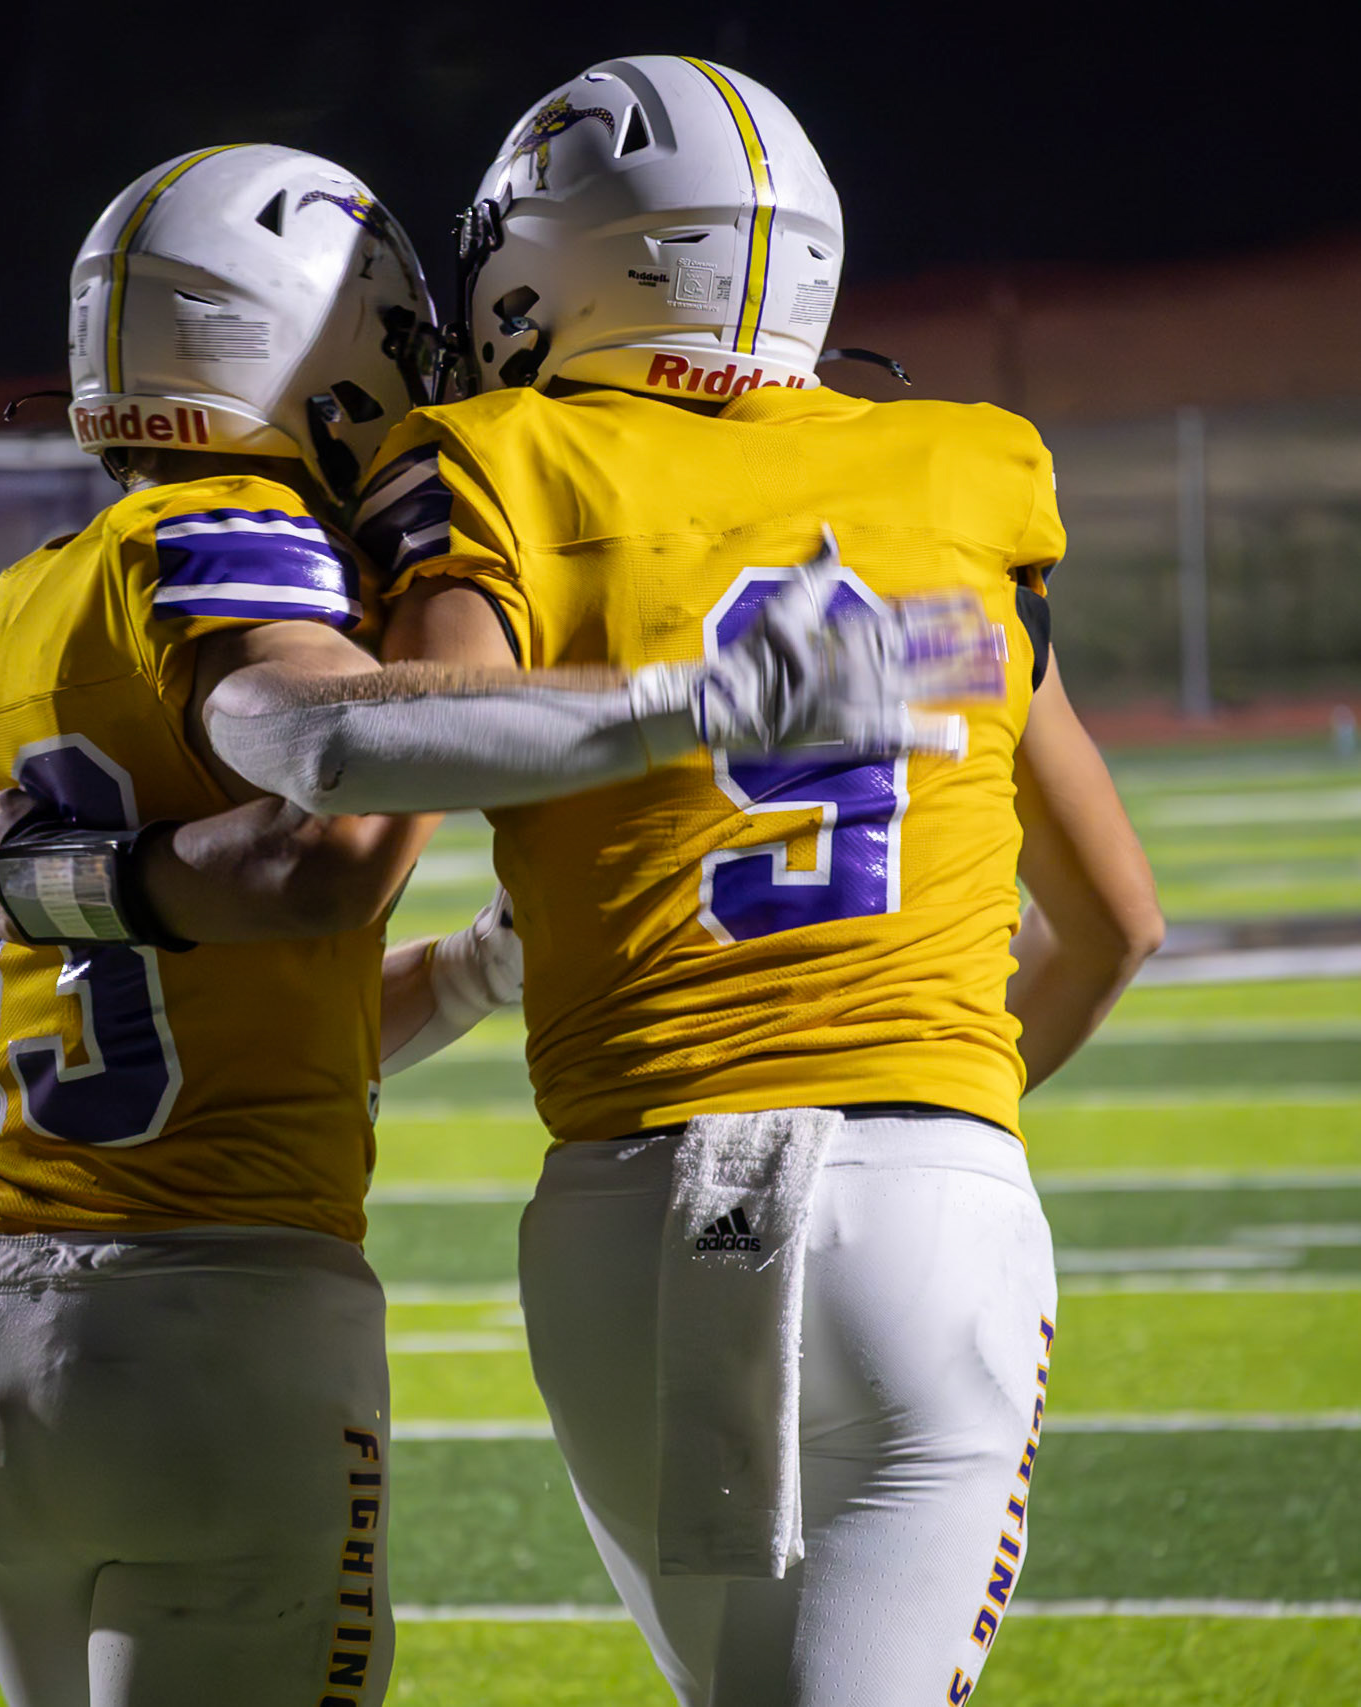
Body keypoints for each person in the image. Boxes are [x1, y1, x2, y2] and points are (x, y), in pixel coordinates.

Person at [0, 140, 956, 1707]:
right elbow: (327, 835)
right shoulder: (229, 534)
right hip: (221, 1318)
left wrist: (475, 969)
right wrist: (691, 708)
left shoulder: (5, 614)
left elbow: (236, 1003)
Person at [196, 55, 1164, 1707]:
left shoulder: (498, 457)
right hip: (922, 1206)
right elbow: (1118, 924)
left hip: (630, 1204)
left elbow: (394, 784)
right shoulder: (969, 470)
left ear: (565, 259)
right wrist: (936, 1112)